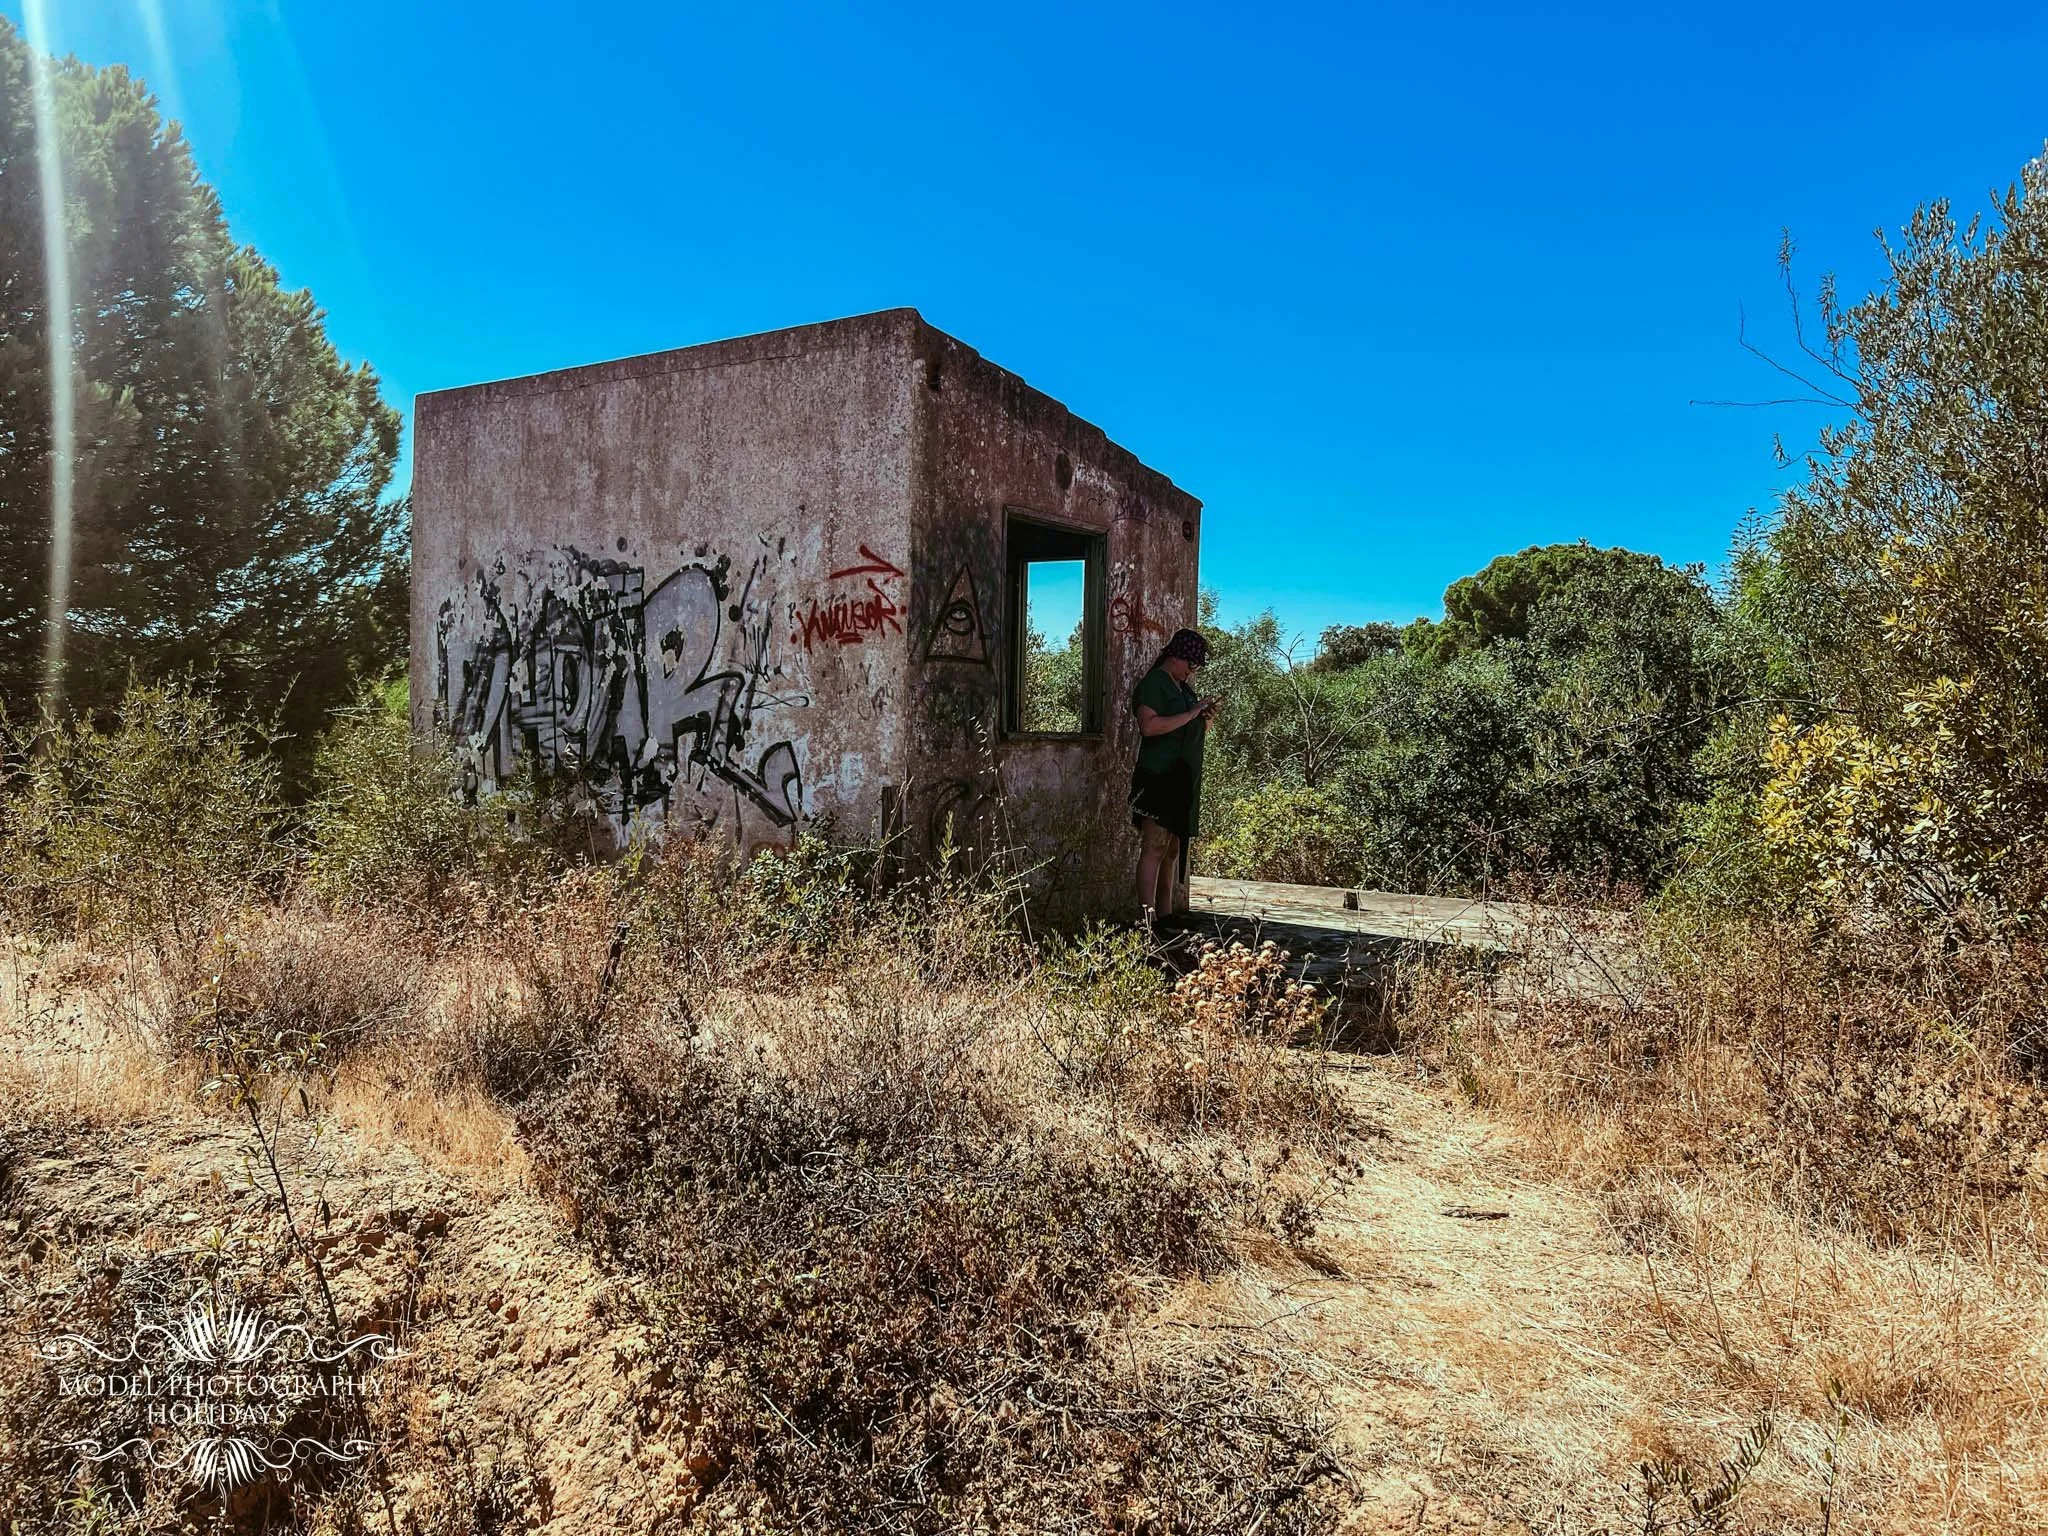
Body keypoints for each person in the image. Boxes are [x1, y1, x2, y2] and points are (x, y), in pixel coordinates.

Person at [1129, 627, 1218, 920]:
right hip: (1158, 777)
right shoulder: (1156, 683)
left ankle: (1166, 915)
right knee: (1154, 845)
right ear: (1177, 657)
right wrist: (1192, 714)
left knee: (1171, 849)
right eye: (1192, 664)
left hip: (1181, 779)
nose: (1192, 671)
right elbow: (1150, 726)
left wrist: (1204, 718)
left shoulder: (1184, 689)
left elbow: (1188, 729)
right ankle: (1147, 919)